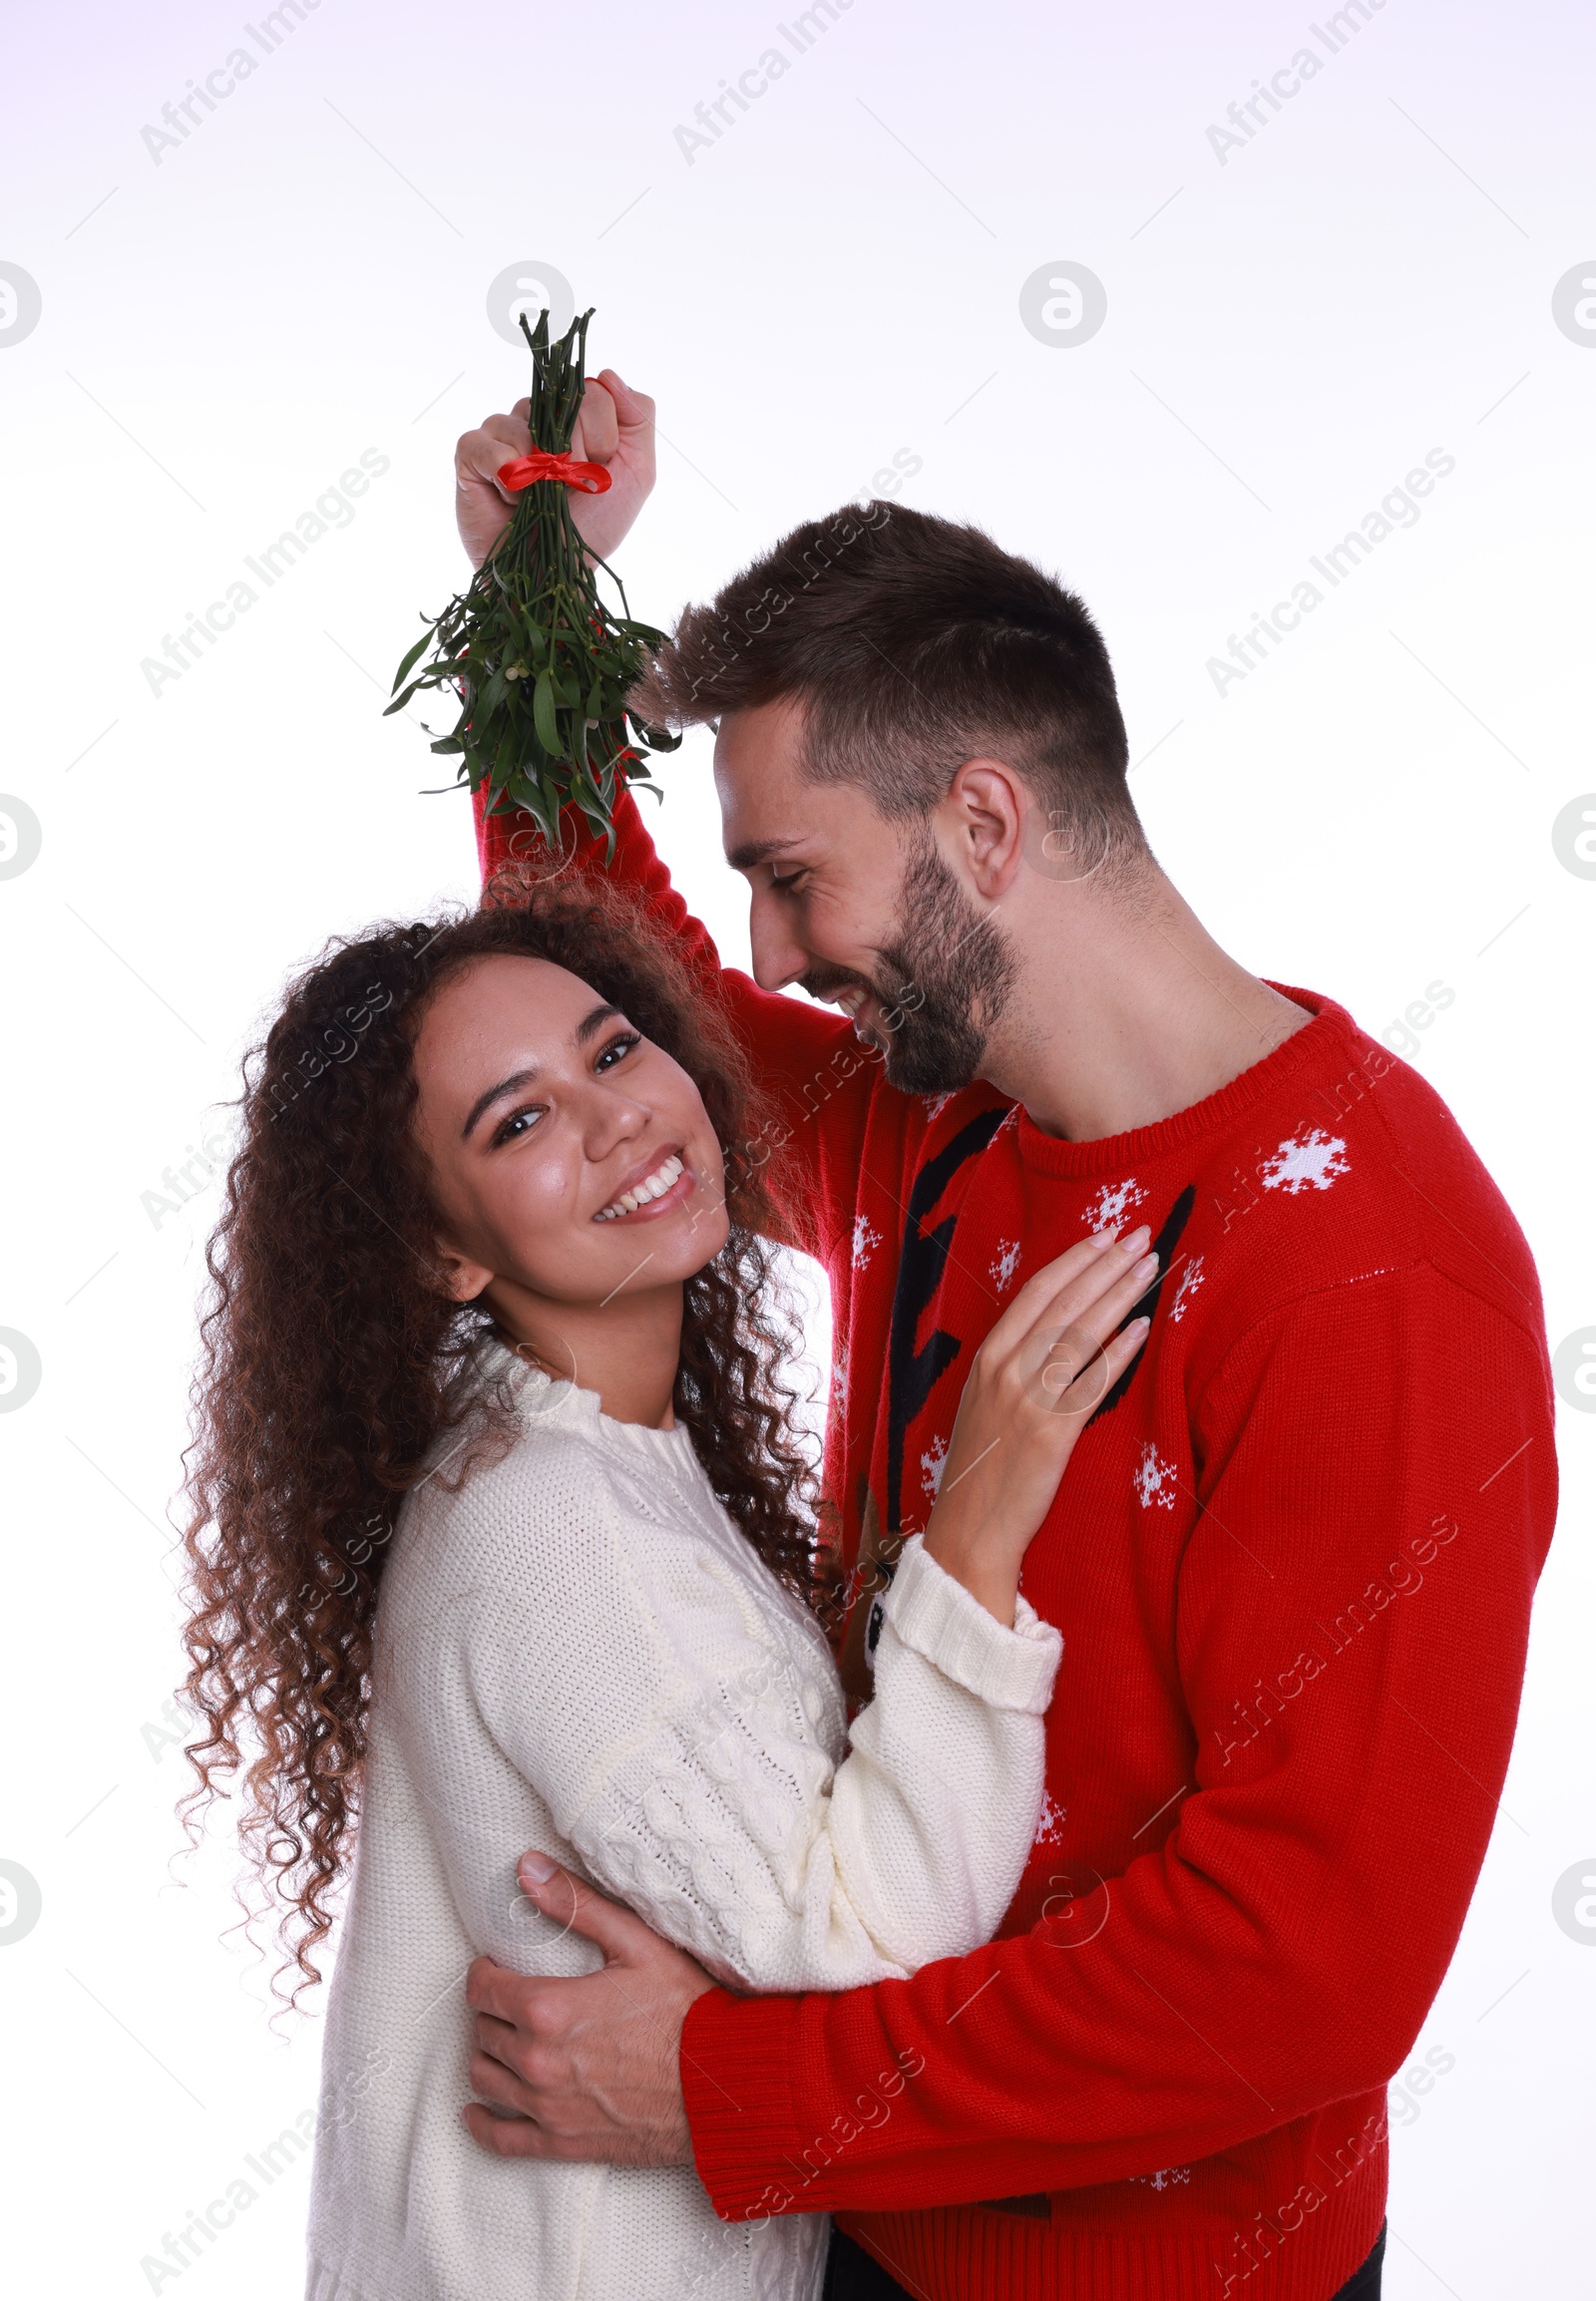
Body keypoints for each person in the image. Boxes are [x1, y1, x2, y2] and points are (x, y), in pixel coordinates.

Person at [445, 372, 1558, 2301]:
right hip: (856, 2226)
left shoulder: (1378, 1271)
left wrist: (726, 2087)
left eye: (792, 878)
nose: (773, 956)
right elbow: (621, 1016)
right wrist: (530, 580)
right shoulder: (930, 1119)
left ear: (980, 819)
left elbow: (1292, 1975)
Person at [178, 868, 1160, 2301]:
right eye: (519, 1121)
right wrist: (979, 1528)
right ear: (446, 1253)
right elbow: (864, 1952)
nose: (618, 1116)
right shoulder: (557, 1529)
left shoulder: (563, 1453)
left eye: (614, 1048)